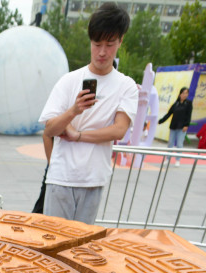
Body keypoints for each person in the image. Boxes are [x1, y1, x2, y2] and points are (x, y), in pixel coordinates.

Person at [38, 3, 137, 223]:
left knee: (79, 248)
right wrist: (74, 110)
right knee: (52, 242)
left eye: (109, 44)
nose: (102, 52)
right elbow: (49, 129)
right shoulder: (69, 80)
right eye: (97, 44)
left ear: (120, 41)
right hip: (61, 177)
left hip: (93, 178)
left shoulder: (126, 85)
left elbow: (119, 130)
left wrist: (78, 135)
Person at [159, 87, 192, 165]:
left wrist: (186, 125)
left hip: (182, 127)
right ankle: (168, 158)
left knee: (179, 144)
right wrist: (161, 121)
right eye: (183, 93)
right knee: (170, 143)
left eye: (186, 93)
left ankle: (178, 159)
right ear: (180, 94)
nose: (185, 95)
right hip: (174, 126)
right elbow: (169, 113)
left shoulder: (188, 104)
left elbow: (189, 115)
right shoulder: (176, 103)